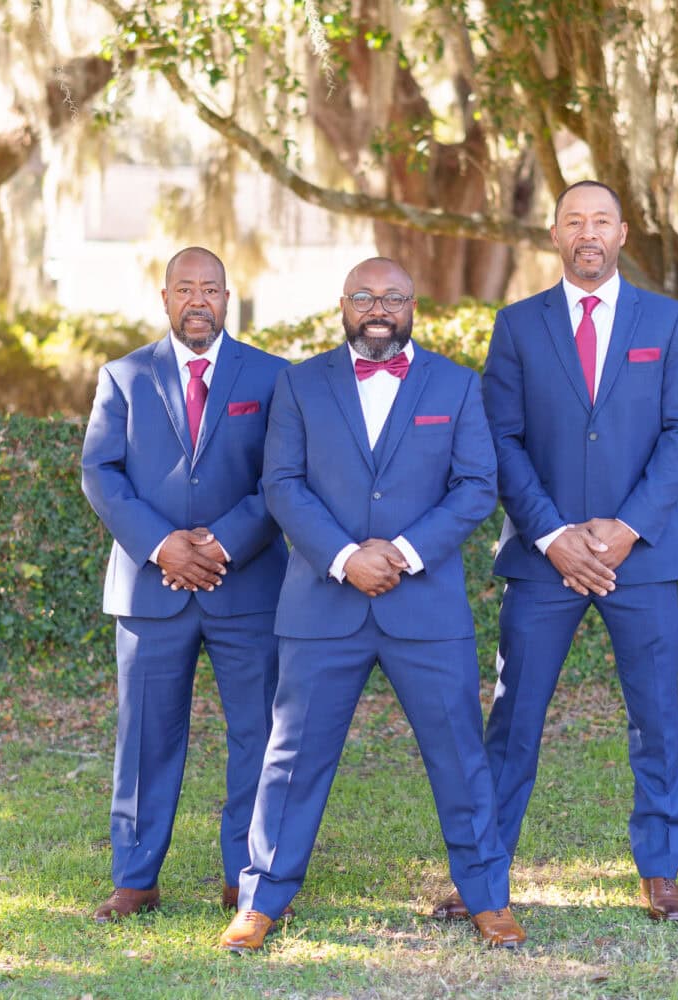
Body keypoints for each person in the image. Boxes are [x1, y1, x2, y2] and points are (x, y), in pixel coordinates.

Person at [217, 257, 524, 952]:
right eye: (363, 296)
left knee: (459, 756)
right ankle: (262, 899)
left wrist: (406, 552)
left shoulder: (456, 384)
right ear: (343, 305)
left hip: (426, 608)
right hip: (322, 604)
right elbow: (283, 485)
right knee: (290, 757)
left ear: (414, 304)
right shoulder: (299, 385)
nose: (377, 306)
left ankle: (488, 898)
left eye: (391, 295)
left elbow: (476, 486)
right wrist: (346, 557)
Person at [449, 181, 678, 922]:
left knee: (655, 716)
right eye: (574, 221)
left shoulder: (666, 321)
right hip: (543, 562)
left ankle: (660, 868)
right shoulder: (518, 326)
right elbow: (500, 440)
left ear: (623, 233)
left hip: (644, 558)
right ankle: (484, 872)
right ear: (555, 235)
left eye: (600, 220)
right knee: (513, 720)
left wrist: (626, 528)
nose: (587, 232)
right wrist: (555, 535)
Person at [81, 246, 289, 922]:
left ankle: (249, 876)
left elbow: (282, 479)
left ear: (229, 300)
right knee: (146, 737)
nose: (197, 300)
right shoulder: (123, 377)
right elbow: (101, 474)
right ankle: (135, 877)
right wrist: (162, 546)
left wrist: (222, 542)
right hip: (151, 589)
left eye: (211, 289)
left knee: (257, 735)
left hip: (247, 587)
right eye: (184, 288)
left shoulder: (272, 377)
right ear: (165, 298)